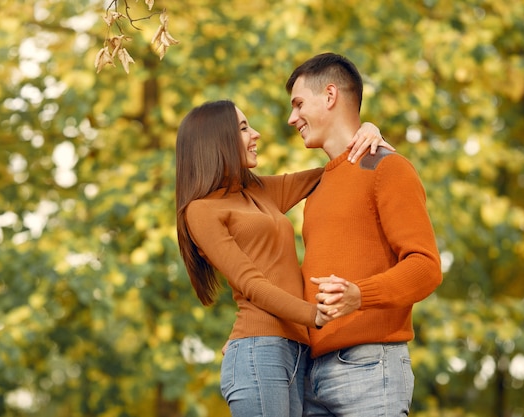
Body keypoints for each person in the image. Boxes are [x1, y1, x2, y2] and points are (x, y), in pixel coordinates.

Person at [175, 100, 392, 417]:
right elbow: (251, 283)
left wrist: (367, 133)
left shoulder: (258, 191)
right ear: (216, 139)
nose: (257, 134)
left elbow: (330, 174)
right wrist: (314, 315)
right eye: (244, 128)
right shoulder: (202, 210)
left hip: (297, 353)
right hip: (258, 351)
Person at [285, 53, 443, 417]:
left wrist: (361, 295)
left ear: (329, 96)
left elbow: (426, 267)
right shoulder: (318, 187)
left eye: (298, 104)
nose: (292, 118)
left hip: (372, 368)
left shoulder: (387, 167)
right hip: (312, 375)